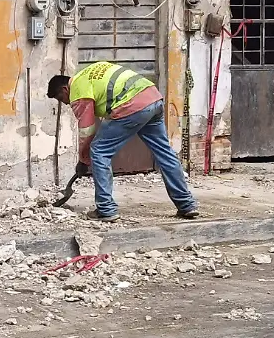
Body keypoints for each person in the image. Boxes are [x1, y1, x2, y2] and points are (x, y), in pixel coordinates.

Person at [47, 61, 199, 222]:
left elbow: (87, 130)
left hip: (130, 105)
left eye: (60, 98)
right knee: (164, 153)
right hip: (153, 98)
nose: (64, 103)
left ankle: (106, 209)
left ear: (65, 89)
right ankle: (187, 205)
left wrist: (84, 160)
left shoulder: (77, 88)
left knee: (98, 151)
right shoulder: (90, 72)